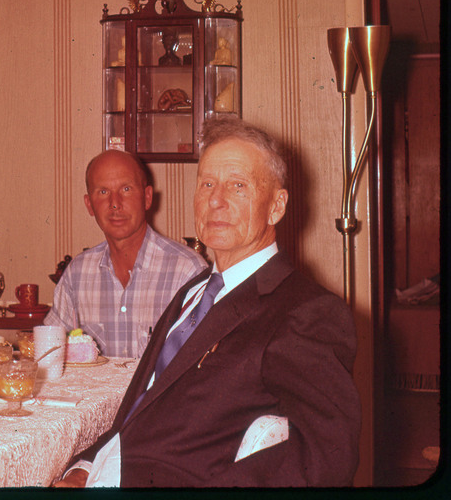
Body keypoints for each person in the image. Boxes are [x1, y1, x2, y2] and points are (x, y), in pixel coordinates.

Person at [55, 118, 360, 487]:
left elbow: (328, 456)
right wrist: (84, 465)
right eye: (207, 184)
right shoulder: (194, 289)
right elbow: (140, 410)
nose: (216, 200)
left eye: (238, 185)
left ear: (276, 206)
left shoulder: (305, 310)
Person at [44, 149, 206, 358]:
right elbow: (50, 354)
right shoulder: (77, 274)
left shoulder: (187, 271)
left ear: (147, 198)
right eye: (103, 192)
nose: (115, 203)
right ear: (89, 205)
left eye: (126, 189)